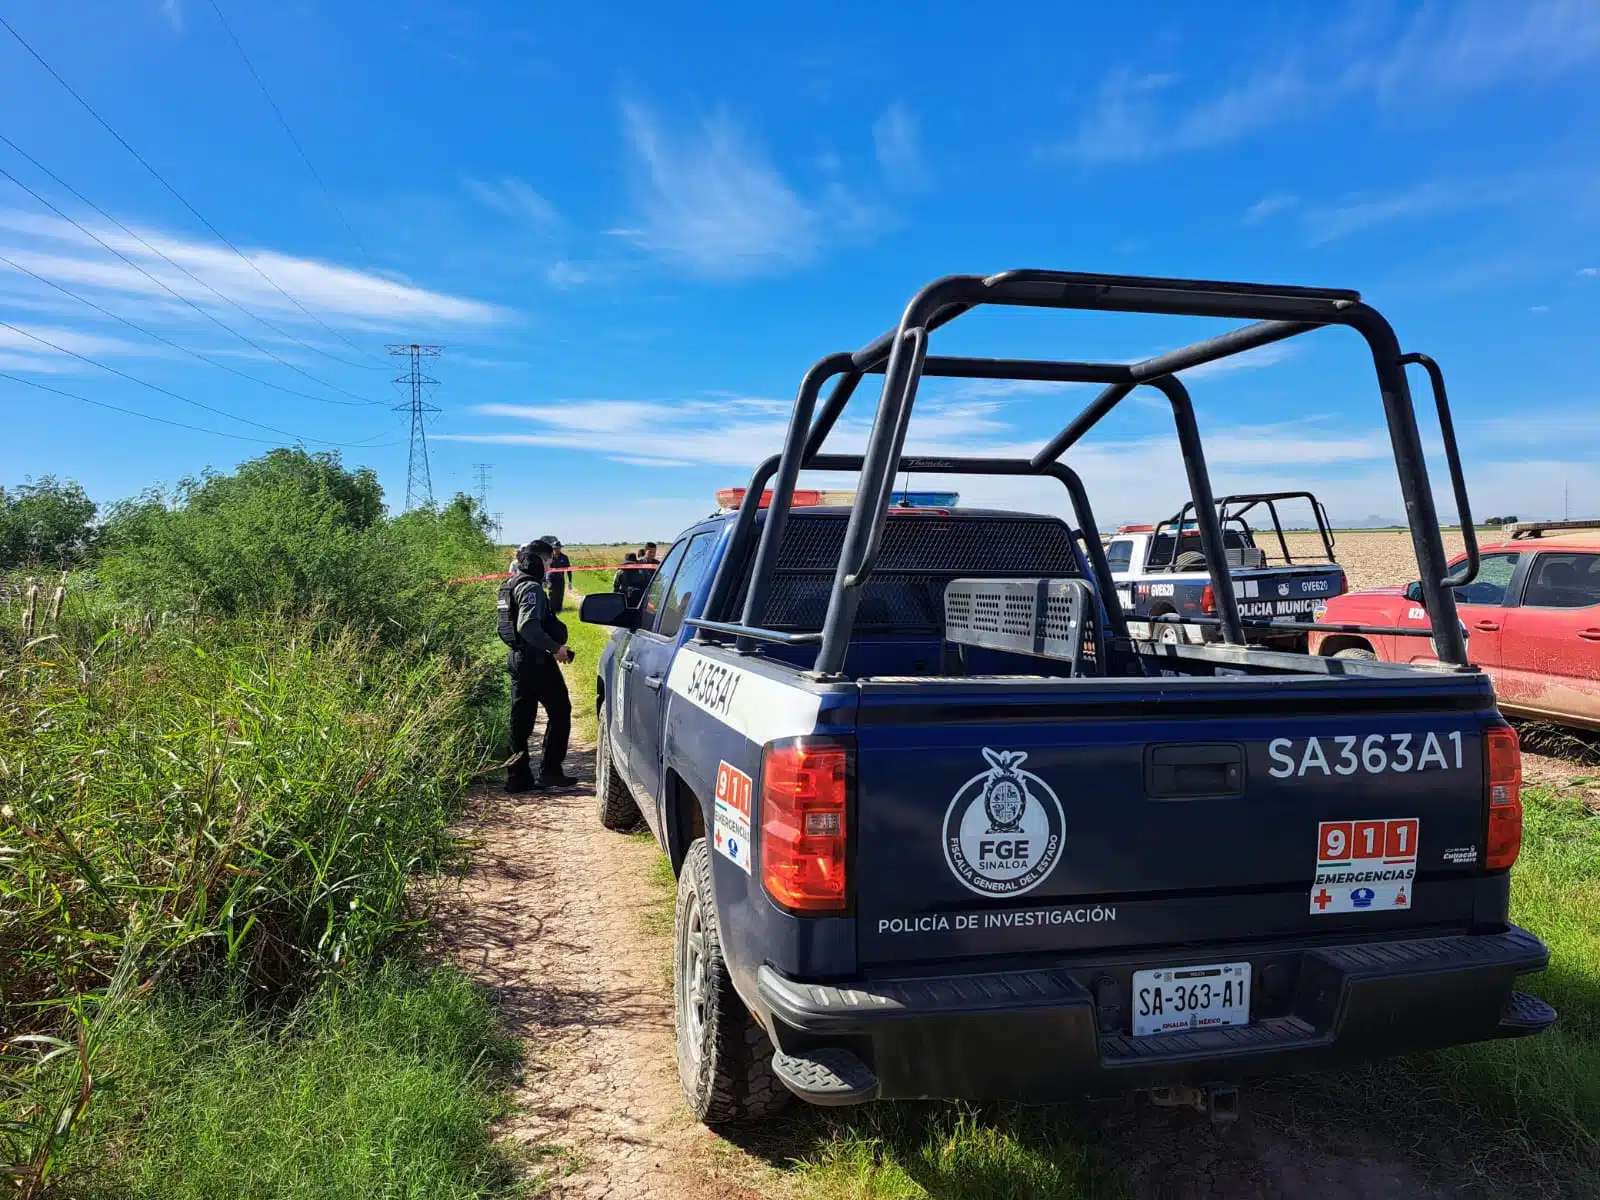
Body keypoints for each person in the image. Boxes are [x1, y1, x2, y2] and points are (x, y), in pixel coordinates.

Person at [497, 539, 577, 793]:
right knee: (560, 711)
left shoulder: (508, 585)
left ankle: (518, 777)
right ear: (537, 561)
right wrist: (556, 649)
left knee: (520, 720)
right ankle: (550, 771)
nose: (551, 565)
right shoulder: (530, 588)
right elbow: (528, 626)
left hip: (519, 659)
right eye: (548, 560)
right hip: (536, 661)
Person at [544, 535, 571, 613]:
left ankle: (559, 609)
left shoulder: (564, 557)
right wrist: (546, 579)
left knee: (560, 594)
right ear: (553, 549)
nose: (557, 549)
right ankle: (552, 609)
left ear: (560, 548)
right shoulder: (550, 557)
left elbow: (569, 569)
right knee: (552, 594)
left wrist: (570, 581)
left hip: (560, 578)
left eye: (558, 548)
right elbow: (546, 568)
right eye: (556, 548)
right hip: (551, 579)